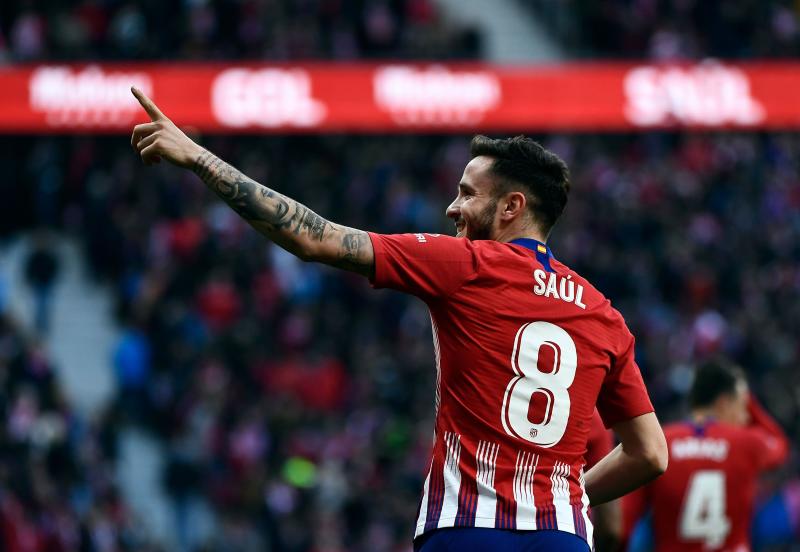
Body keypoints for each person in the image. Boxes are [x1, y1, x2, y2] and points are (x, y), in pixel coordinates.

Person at [129, 87, 667, 551]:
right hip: (562, 536)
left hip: (467, 528)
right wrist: (565, 497)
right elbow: (650, 453)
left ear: (511, 207)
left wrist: (198, 158)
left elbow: (313, 238)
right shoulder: (603, 314)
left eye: (466, 194)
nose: (452, 208)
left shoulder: (466, 265)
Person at [622, 358, 789, 552]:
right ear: (724, 403)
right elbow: (779, 444)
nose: (746, 418)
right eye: (743, 407)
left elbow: (624, 522)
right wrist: (749, 399)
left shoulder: (660, 443)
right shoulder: (747, 443)